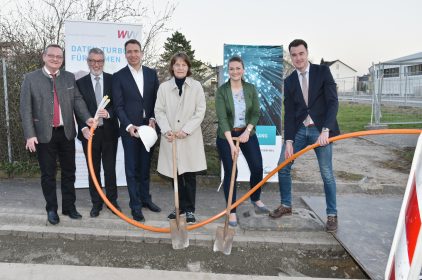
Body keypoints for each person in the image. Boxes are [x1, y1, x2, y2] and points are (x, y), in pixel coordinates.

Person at [269, 39, 340, 232]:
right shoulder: (290, 81)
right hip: (300, 129)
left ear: (307, 53)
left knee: (326, 173)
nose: (298, 58)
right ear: (290, 57)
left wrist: (326, 129)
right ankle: (286, 205)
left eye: (301, 54)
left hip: (320, 130)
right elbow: (290, 113)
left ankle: (332, 215)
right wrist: (289, 140)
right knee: (282, 166)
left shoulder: (322, 72)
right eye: (294, 55)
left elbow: (333, 102)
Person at [20, 44, 96, 225]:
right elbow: (25, 109)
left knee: (70, 172)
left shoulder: (69, 78)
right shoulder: (30, 79)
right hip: (43, 135)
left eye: (59, 57)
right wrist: (30, 135)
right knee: (48, 174)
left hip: (67, 133)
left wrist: (87, 119)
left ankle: (69, 207)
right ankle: (51, 210)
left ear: (62, 59)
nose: (56, 59)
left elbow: (77, 100)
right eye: (52, 56)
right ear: (44, 57)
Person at [215, 56, 269, 227]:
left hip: (247, 133)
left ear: (243, 70)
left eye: (238, 68)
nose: (235, 71)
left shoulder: (251, 89)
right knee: (232, 173)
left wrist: (248, 130)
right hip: (226, 137)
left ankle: (256, 198)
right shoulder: (222, 91)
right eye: (231, 68)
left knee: (257, 167)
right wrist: (231, 145)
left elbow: (255, 113)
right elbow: (223, 119)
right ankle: (231, 210)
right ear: (228, 71)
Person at [154, 52, 207, 224]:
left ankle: (190, 209)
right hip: (171, 137)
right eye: (177, 64)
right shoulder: (164, 87)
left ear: (188, 67)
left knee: (189, 175)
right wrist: (166, 129)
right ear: (172, 67)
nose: (180, 68)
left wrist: (186, 130)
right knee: (175, 174)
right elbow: (159, 111)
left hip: (189, 138)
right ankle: (179, 207)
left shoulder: (196, 86)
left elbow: (200, 111)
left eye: (184, 65)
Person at [112, 39, 161, 222]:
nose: (133, 54)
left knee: (145, 166)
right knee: (131, 168)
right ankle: (135, 205)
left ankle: (146, 199)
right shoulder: (119, 76)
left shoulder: (151, 73)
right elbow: (118, 106)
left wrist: (153, 119)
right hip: (130, 129)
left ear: (141, 53)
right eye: (129, 51)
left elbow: (157, 100)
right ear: (125, 54)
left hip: (149, 127)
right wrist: (128, 126)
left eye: (136, 51)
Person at [76, 48, 120, 218]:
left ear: (104, 62)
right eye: (93, 61)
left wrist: (109, 113)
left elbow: (119, 104)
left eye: (100, 61)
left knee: (110, 169)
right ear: (88, 62)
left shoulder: (112, 80)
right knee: (93, 170)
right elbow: (77, 109)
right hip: (90, 134)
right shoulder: (80, 83)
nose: (96, 64)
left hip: (109, 132)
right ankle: (96, 203)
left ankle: (112, 201)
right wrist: (83, 127)